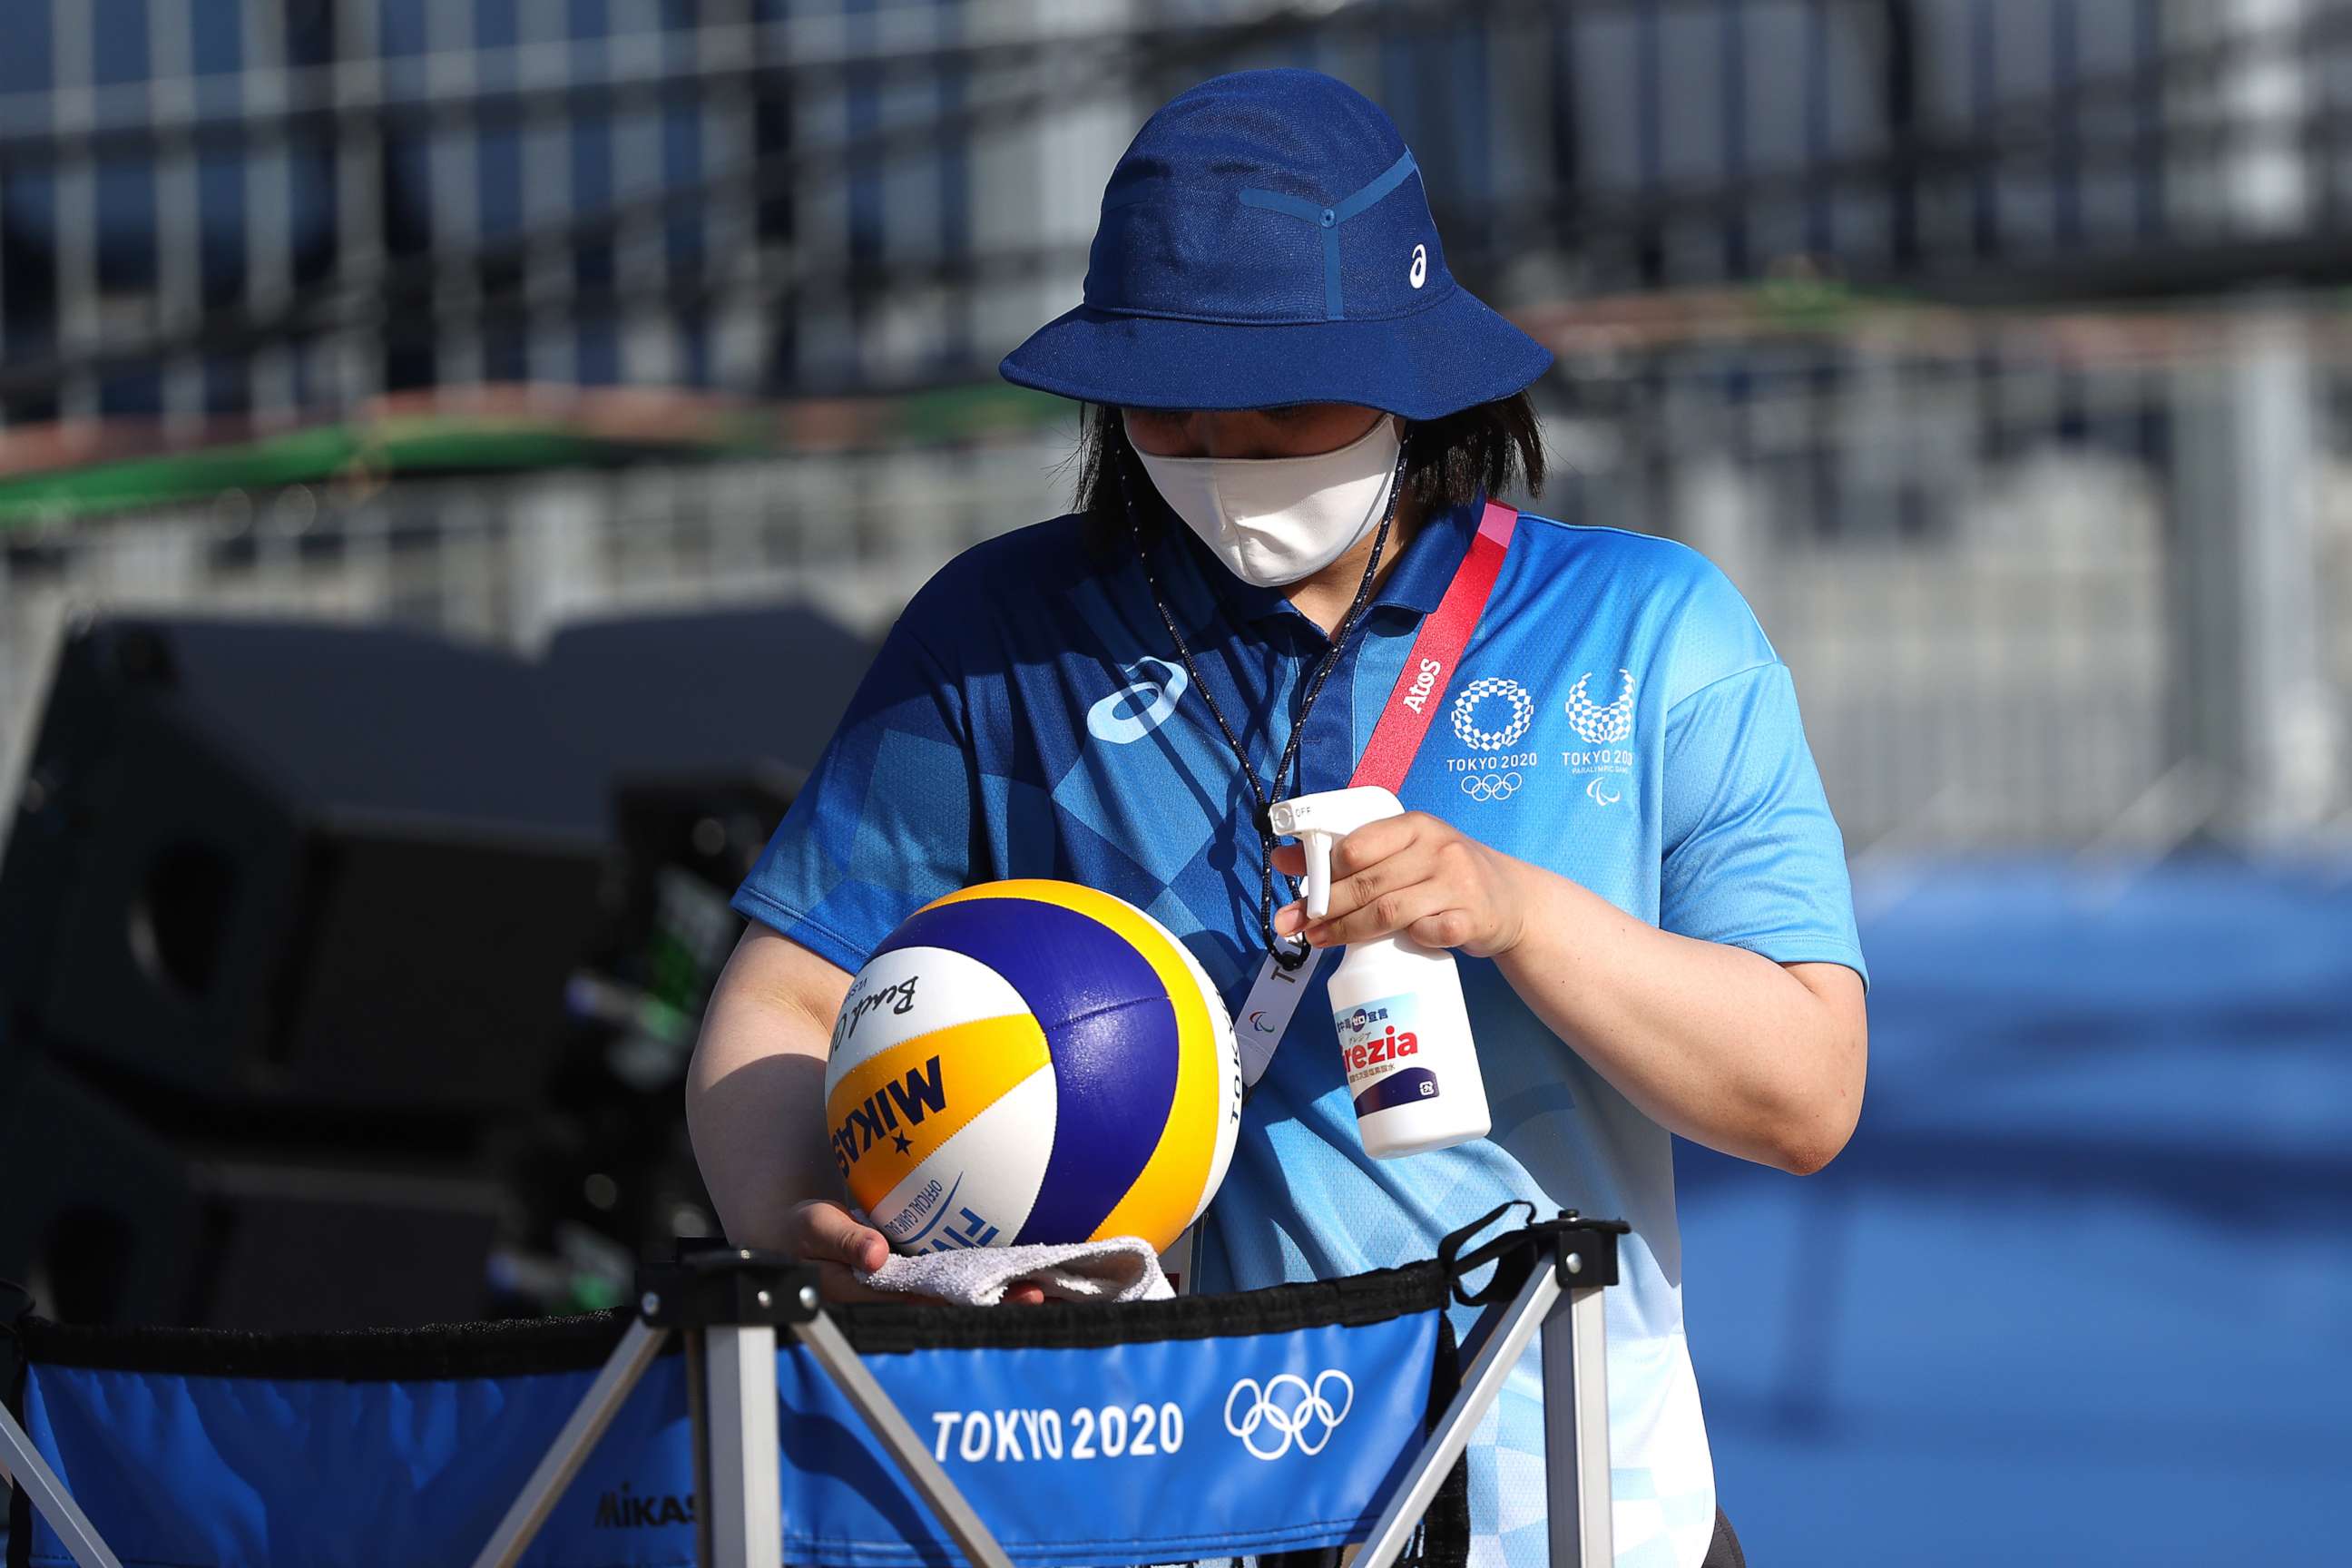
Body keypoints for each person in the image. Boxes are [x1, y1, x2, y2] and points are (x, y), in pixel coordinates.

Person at [688, 69, 1865, 1568]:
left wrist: (1517, 913)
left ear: (1422, 371)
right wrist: (804, 1217)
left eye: (1290, 405)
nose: (1231, 454)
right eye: (1174, 407)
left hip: (1572, 1495)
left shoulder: (1644, 628)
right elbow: (785, 997)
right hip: (1137, 1500)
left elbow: (1807, 1091)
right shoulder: (998, 633)